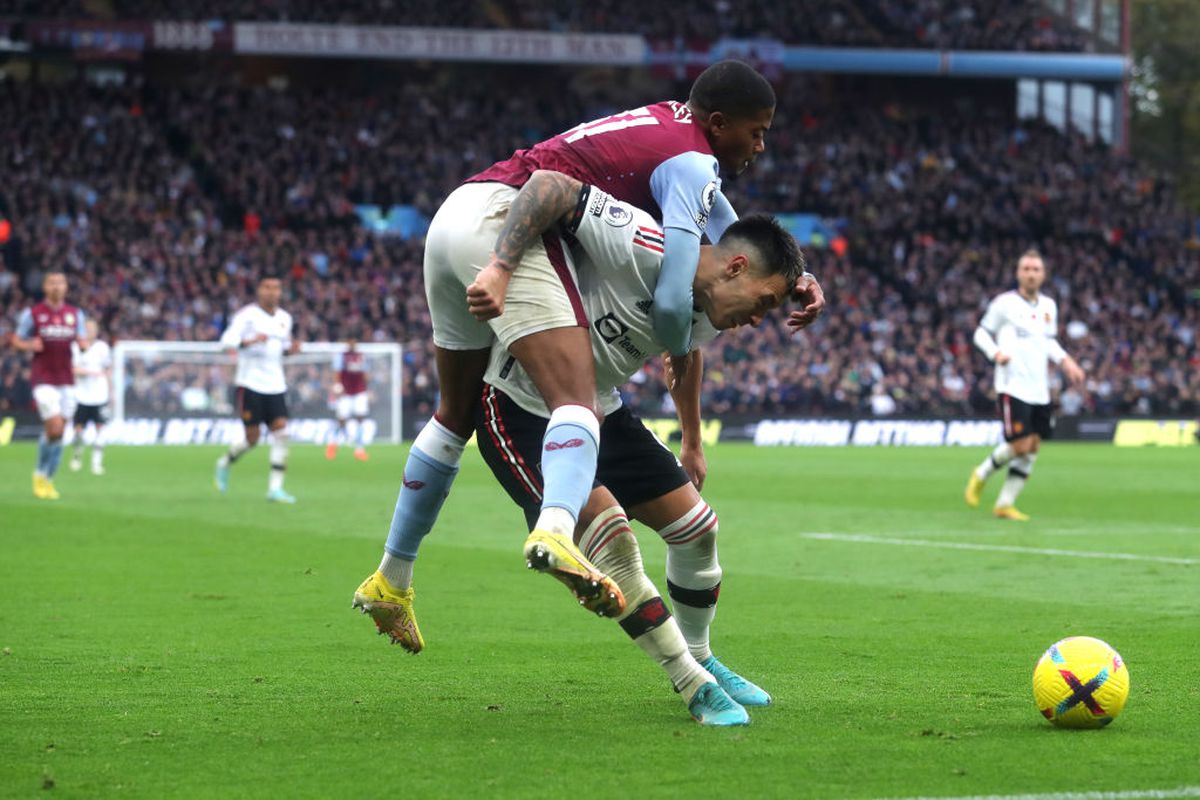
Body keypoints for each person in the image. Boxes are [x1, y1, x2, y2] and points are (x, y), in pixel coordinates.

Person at [354, 61, 825, 637]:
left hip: (458, 213)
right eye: (756, 132)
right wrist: (502, 267)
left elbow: (728, 227)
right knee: (578, 400)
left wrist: (795, 270)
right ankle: (555, 528)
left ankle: (390, 579)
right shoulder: (693, 160)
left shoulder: (673, 131)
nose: (760, 145)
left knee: (453, 416)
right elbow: (679, 294)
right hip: (511, 219)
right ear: (720, 122)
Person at [361, 173, 807, 726]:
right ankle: (691, 683)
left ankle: (702, 656)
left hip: (602, 405)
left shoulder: (713, 310)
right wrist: (499, 265)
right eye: (762, 303)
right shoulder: (643, 242)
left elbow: (684, 351)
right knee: (614, 540)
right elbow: (553, 188)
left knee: (698, 529)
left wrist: (692, 439)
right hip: (518, 405)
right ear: (735, 267)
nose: (759, 319)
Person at [964, 250, 1085, 520]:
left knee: (1033, 446)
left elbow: (1048, 341)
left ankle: (1005, 504)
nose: (1031, 274)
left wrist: (1067, 362)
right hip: (1012, 385)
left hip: (1039, 388)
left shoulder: (1048, 307)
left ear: (1043, 275)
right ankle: (981, 473)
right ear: (1018, 273)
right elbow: (981, 332)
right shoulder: (1004, 303)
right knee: (1020, 445)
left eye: (1036, 269)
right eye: (1026, 269)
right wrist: (996, 353)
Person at [214, 275, 301, 503]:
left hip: (276, 385)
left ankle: (275, 489)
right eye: (267, 287)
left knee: (281, 433)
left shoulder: (285, 319)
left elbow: (280, 349)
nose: (272, 291)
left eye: (276, 287)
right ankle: (224, 462)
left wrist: (291, 350)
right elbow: (225, 342)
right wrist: (248, 342)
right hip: (250, 384)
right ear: (259, 291)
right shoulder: (247, 316)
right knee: (252, 439)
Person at [12, 270, 86, 500]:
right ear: (45, 287)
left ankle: (48, 479)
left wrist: (83, 344)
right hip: (43, 379)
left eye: (60, 282)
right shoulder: (33, 314)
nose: (56, 286)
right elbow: (15, 339)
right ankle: (39, 475)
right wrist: (28, 345)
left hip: (67, 379)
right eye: (52, 282)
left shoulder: (75, 314)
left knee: (58, 433)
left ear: (66, 287)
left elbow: (82, 340)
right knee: (54, 427)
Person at [69, 318, 111, 475]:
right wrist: (91, 372)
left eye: (92, 328)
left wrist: (111, 392)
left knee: (101, 429)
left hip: (100, 395)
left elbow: (108, 369)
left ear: (97, 330)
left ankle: (97, 462)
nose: (89, 331)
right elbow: (72, 369)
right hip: (81, 396)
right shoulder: (75, 347)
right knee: (78, 430)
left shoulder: (103, 347)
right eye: (87, 328)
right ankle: (77, 455)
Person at [325, 336, 370, 462]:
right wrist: (337, 386)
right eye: (350, 341)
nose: (352, 343)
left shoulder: (362, 356)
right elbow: (337, 373)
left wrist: (367, 385)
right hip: (345, 392)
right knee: (341, 419)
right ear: (347, 342)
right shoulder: (341, 356)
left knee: (361, 418)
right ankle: (332, 445)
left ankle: (359, 449)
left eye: (354, 341)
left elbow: (366, 374)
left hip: (359, 391)